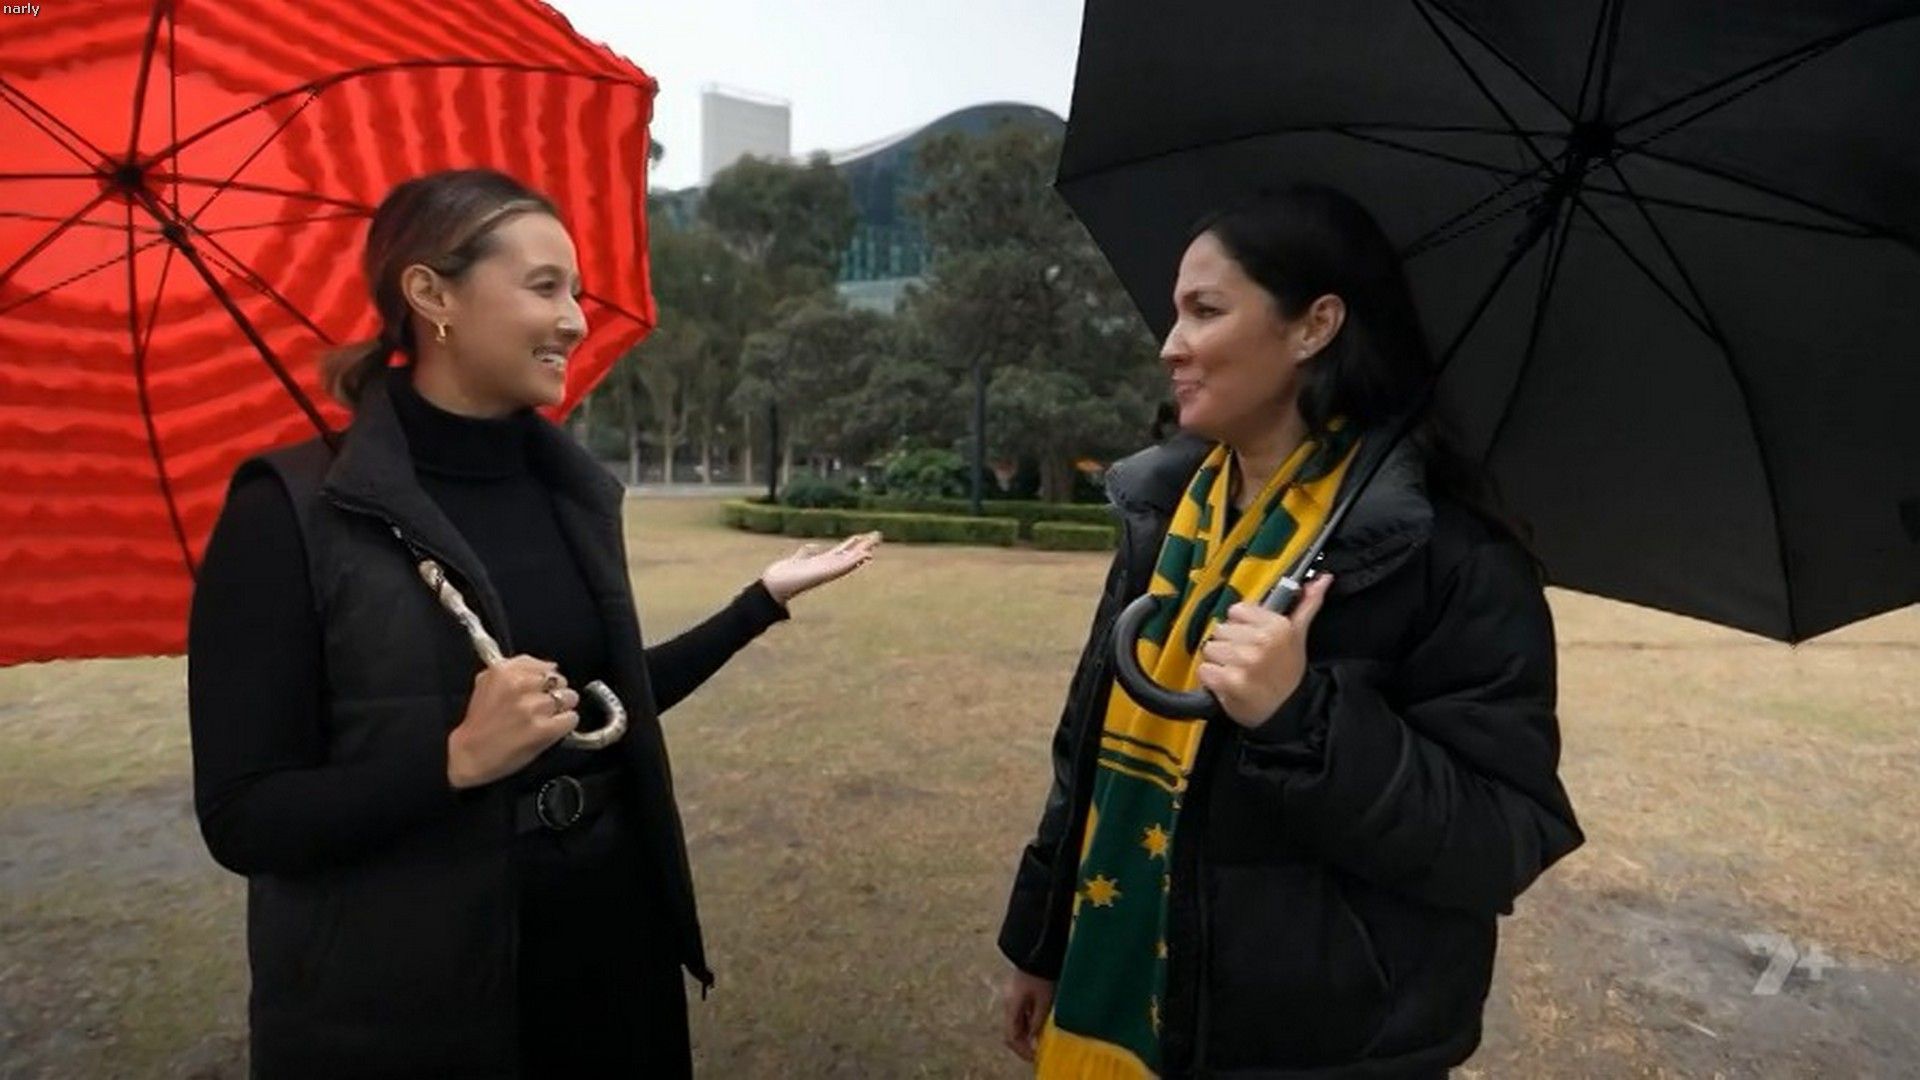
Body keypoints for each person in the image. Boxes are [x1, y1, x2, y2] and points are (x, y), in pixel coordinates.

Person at [187, 167, 879, 1078]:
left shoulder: (568, 491)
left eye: (578, 293)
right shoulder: (286, 511)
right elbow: (244, 818)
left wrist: (760, 602)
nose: (575, 321)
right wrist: (455, 760)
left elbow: (599, 707)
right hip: (410, 1000)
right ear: (432, 295)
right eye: (544, 287)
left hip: (610, 953)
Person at [998, 186, 1583, 1078]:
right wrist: (1043, 941)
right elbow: (1085, 748)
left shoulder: (1453, 558)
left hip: (1321, 1049)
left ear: (1314, 327)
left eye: (1205, 311)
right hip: (1116, 986)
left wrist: (1302, 719)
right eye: (1175, 313)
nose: (1170, 345)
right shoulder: (1165, 520)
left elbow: (1502, 837)